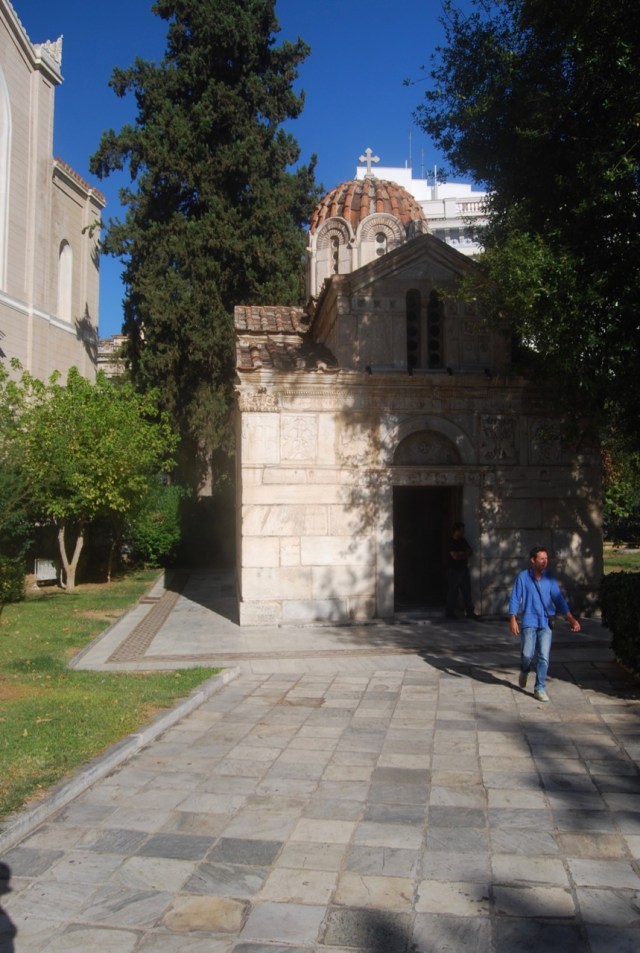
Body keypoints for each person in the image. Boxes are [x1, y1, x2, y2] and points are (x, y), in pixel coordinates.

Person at [509, 546, 581, 702]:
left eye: (546, 559)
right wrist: (512, 618)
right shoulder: (523, 577)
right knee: (527, 655)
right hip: (529, 621)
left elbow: (559, 599)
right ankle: (524, 670)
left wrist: (571, 619)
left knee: (544, 657)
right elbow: (515, 597)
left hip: (546, 622)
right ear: (533, 560)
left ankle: (539, 688)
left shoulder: (549, 578)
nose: (544, 561)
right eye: (541, 559)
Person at [445, 521, 479, 619]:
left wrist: (461, 554)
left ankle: (470, 612)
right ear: (456, 531)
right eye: (461, 530)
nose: (463, 532)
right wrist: (463, 554)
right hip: (453, 570)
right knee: (453, 592)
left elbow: (470, 552)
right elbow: (455, 556)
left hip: (463, 569)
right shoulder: (451, 542)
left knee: (466, 591)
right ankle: (449, 613)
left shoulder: (463, 541)